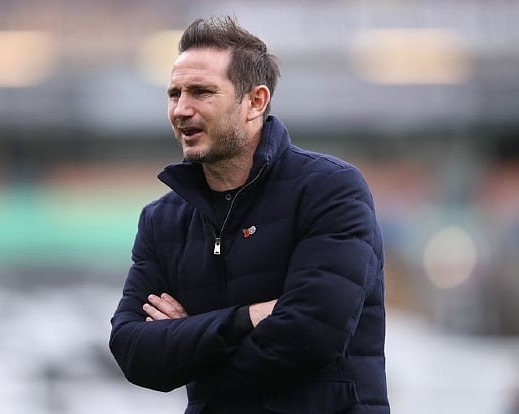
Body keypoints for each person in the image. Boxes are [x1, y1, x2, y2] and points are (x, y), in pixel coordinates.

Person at [109, 16, 389, 414]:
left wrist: (191, 349)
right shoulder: (163, 219)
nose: (181, 109)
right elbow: (133, 351)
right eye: (174, 94)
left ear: (255, 102)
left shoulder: (329, 189)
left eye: (201, 92)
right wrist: (245, 319)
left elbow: (310, 337)